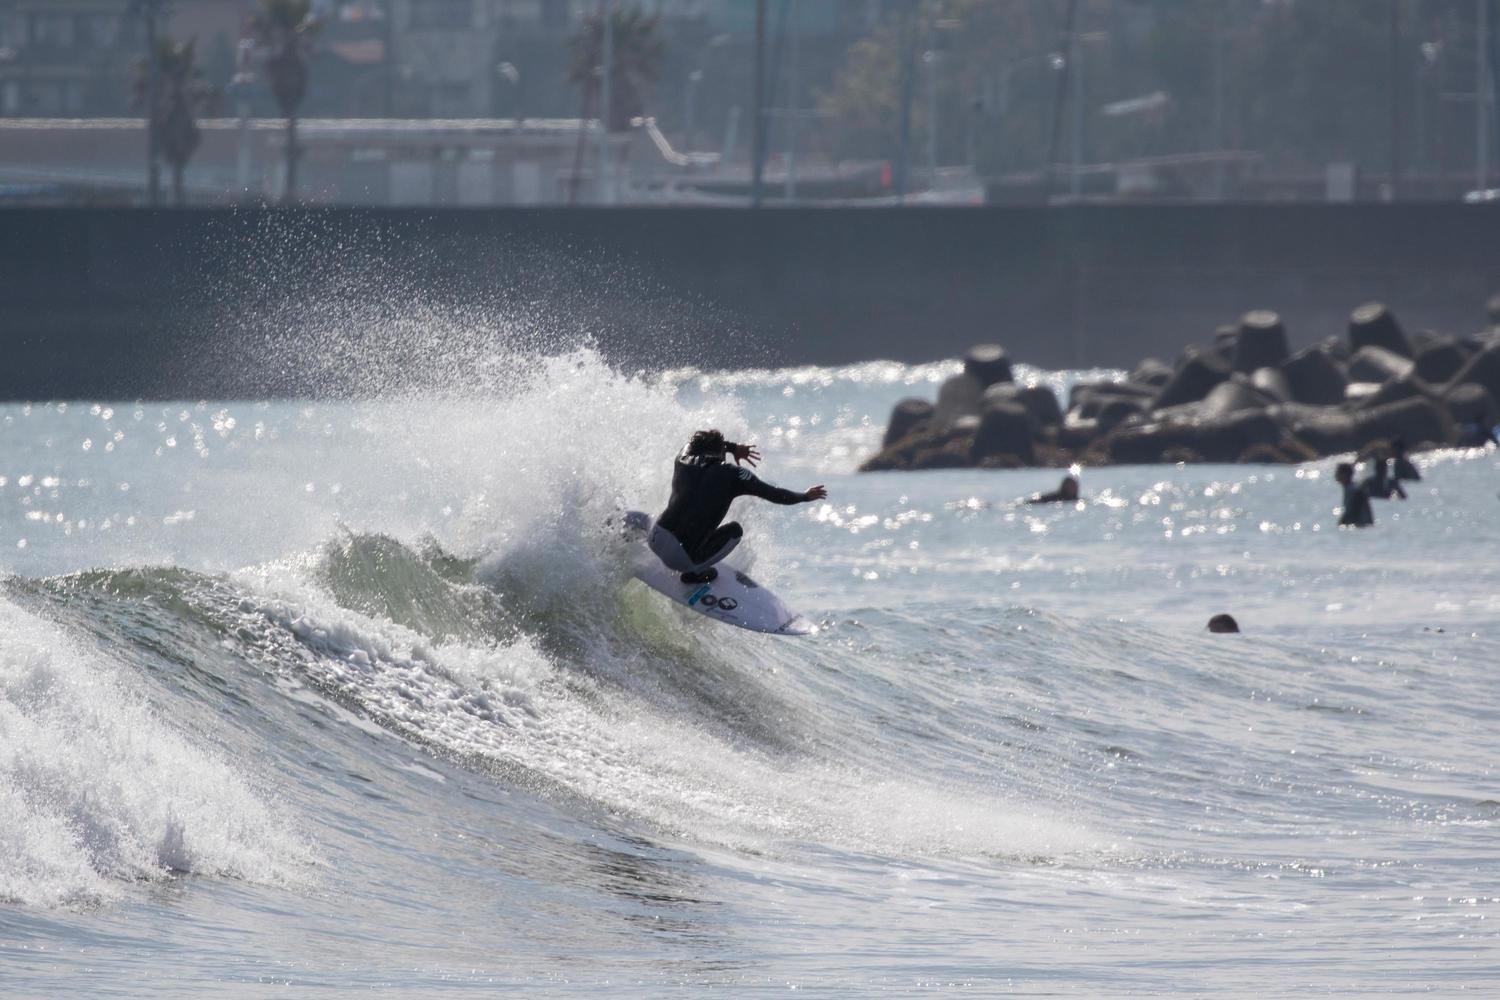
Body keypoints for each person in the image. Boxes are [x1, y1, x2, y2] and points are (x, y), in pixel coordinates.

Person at [650, 429, 827, 584]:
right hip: (681, 559)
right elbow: (775, 494)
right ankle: (694, 573)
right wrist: (804, 496)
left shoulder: (683, 459)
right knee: (735, 530)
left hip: (656, 537)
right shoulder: (734, 475)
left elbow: (690, 443)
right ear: (721, 452)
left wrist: (732, 447)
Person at [1335, 461, 1374, 528]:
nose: (1336, 475)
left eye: (1338, 473)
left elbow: (1354, 511)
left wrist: (1344, 522)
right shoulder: (1351, 488)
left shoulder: (1354, 490)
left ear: (1345, 474)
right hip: (1362, 525)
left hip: (1361, 526)